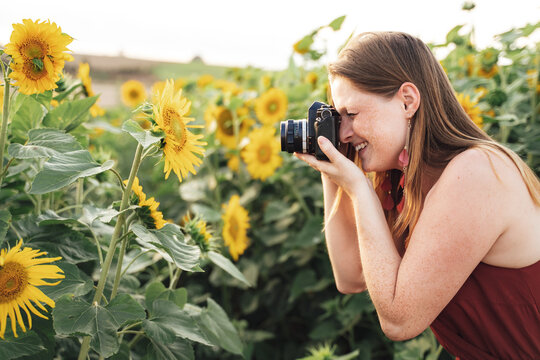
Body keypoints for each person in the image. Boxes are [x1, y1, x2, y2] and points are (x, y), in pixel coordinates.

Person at [295, 31, 540, 359]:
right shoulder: (400, 182)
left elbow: (400, 321)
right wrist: (331, 165)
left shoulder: (477, 172)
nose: (344, 132)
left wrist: (358, 187)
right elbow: (351, 277)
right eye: (338, 119)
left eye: (351, 114)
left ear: (407, 101)